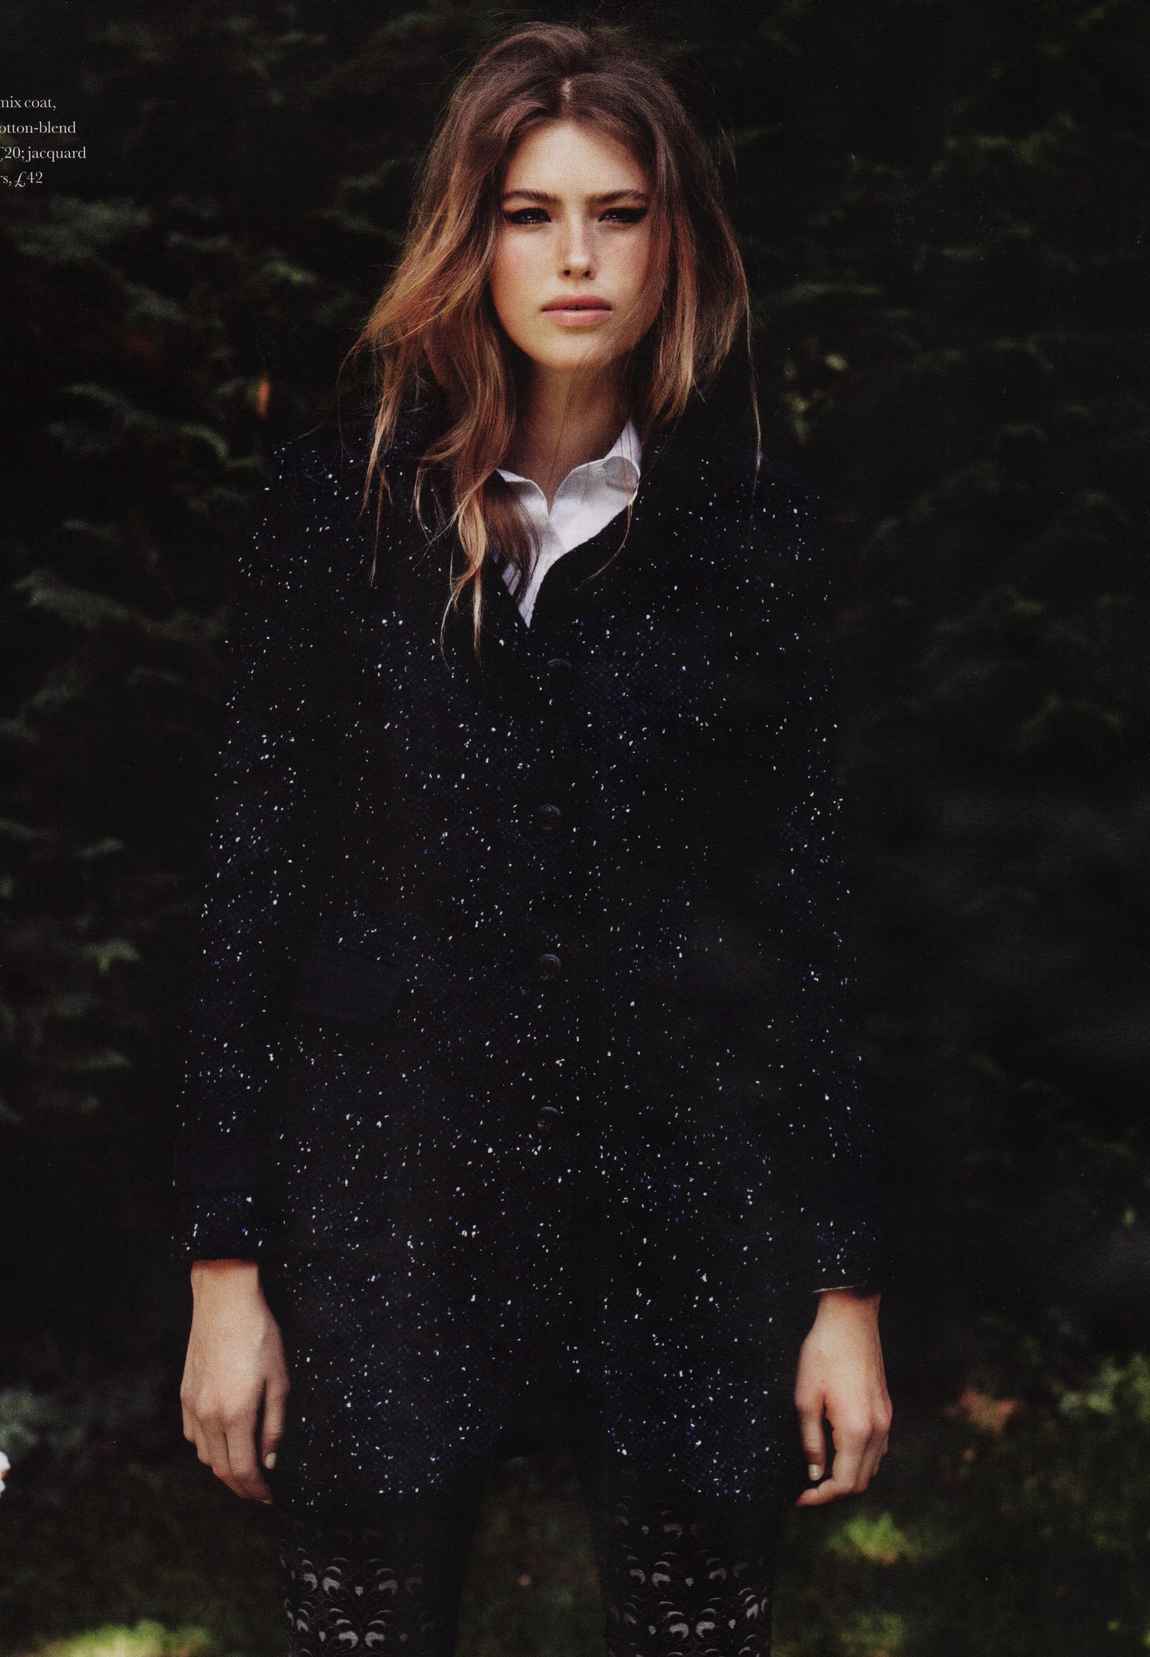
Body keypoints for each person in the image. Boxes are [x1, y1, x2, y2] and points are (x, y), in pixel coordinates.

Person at [174, 22, 890, 1657]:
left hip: (685, 1224)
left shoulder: (756, 536)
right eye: (530, 213)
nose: (577, 257)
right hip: (387, 1212)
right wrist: (225, 1265)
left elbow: (812, 922)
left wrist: (846, 1286)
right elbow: (249, 900)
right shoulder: (335, 514)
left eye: (618, 213)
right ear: (470, 236)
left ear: (673, 243)